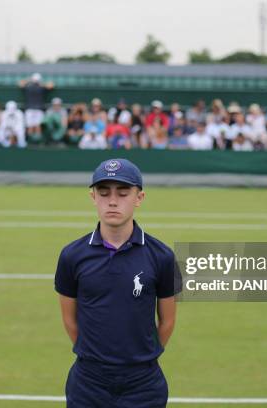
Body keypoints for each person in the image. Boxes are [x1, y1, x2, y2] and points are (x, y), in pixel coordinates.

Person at [55, 158, 180, 408]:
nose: (112, 201)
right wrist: (96, 357)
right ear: (93, 197)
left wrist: (141, 357)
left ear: (139, 197)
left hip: (143, 384)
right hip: (88, 383)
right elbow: (70, 320)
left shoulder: (162, 256)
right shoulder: (72, 255)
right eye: (104, 193)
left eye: (123, 193)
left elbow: (167, 321)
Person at [19, 72, 54, 143]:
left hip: (37, 109)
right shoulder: (38, 87)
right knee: (31, 127)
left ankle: (36, 142)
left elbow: (51, 85)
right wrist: (37, 82)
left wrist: (31, 81)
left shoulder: (34, 87)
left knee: (37, 127)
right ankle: (30, 142)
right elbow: (20, 84)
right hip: (32, 109)